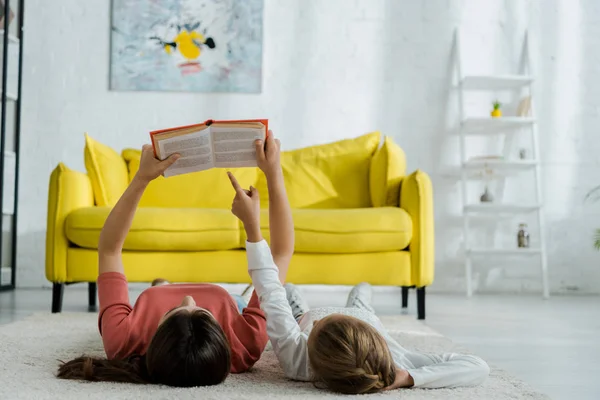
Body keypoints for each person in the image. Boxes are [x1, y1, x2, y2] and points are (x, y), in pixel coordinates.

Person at [229, 153, 490, 395]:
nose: (321, 319)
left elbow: (270, 290)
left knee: (288, 297)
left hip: (300, 319)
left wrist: (252, 227)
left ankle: (300, 303)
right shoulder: (394, 356)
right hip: (364, 317)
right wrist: (408, 376)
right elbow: (477, 366)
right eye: (325, 321)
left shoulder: (296, 360)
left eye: (316, 328)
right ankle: (361, 293)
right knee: (361, 298)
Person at [57, 131, 292, 387]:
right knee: (272, 293)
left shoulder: (123, 340)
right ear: (222, 337)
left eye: (173, 311)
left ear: (156, 337)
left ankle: (161, 287)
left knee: (158, 290)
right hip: (232, 304)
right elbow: (281, 254)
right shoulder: (245, 345)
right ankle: (214, 295)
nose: (189, 298)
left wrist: (141, 178)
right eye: (203, 312)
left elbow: (109, 250)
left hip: (154, 299)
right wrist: (272, 174)